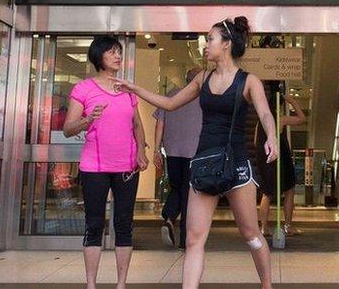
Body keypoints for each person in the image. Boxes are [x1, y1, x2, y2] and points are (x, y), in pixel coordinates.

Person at [114, 17, 279, 289]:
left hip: (236, 165)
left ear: (226, 45)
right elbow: (170, 103)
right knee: (193, 239)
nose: (205, 45)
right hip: (203, 164)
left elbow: (264, 113)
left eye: (211, 39)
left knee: (250, 234)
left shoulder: (250, 82)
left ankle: (267, 284)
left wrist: (271, 135)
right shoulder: (202, 79)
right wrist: (136, 89)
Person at [63, 35, 149, 289]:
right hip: (95, 167)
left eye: (119, 52)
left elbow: (137, 124)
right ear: (98, 56)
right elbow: (68, 128)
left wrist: (141, 153)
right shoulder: (83, 89)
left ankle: (121, 283)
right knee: (94, 224)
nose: (118, 56)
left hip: (126, 168)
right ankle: (91, 283)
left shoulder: (126, 89)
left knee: (124, 224)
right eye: (112, 52)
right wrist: (88, 120)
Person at [153, 67, 204, 249]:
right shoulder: (203, 98)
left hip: (173, 151)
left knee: (176, 188)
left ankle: (169, 218)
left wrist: (157, 149)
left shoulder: (171, 95)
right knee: (188, 193)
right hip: (195, 153)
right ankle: (184, 239)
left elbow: (160, 124)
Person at [255, 83, 305, 237]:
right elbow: (301, 118)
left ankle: (263, 228)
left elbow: (255, 141)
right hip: (281, 159)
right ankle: (288, 226)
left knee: (267, 193)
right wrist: (293, 102)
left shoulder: (260, 122)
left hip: (265, 160)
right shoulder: (280, 119)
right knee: (289, 190)